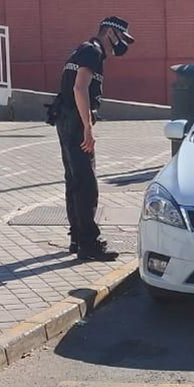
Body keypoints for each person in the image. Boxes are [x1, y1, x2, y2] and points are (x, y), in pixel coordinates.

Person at [51, 16, 133, 261]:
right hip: (74, 121)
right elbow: (79, 88)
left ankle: (77, 238)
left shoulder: (84, 50)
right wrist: (87, 127)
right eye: (120, 37)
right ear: (109, 32)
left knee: (74, 180)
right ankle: (88, 243)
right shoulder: (93, 52)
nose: (121, 44)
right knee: (86, 183)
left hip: (65, 118)